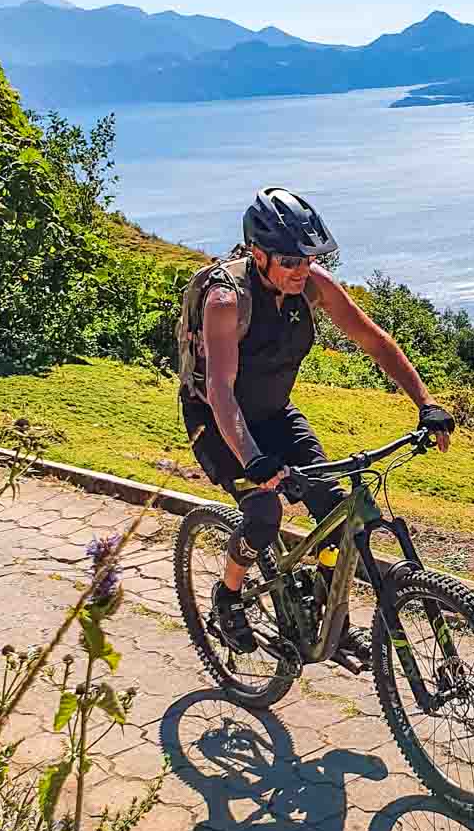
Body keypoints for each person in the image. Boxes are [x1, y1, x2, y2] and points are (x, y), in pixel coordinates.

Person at [179, 187, 455, 662]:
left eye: (308, 257)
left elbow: (375, 341)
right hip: (220, 422)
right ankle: (228, 595)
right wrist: (253, 459)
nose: (301, 268)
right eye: (289, 259)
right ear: (257, 253)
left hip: (275, 413)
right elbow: (222, 391)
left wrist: (425, 401)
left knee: (333, 511)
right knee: (265, 514)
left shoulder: (312, 286)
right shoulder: (226, 300)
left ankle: (331, 621)